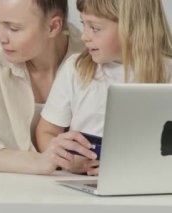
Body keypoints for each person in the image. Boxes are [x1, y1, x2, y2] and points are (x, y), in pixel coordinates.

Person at [0, 0, 94, 175]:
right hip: (6, 195)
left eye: (14, 28)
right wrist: (36, 162)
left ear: (53, 27)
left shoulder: (96, 57)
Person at [36, 0, 172, 176]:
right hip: (82, 185)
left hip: (147, 184)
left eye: (95, 28)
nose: (84, 36)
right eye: (83, 24)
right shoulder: (76, 69)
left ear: (131, 28)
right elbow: (46, 132)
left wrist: (128, 167)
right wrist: (69, 160)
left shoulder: (167, 73)